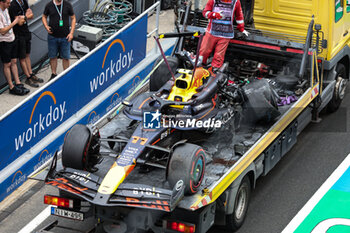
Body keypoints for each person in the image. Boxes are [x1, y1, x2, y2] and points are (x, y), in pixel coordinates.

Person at [199, 0, 249, 71]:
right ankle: (199, 67)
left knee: (219, 56)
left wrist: (241, 29)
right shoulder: (213, 1)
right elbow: (205, 13)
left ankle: (214, 71)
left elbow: (239, 15)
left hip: (225, 34)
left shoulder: (236, 2)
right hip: (212, 32)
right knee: (204, 51)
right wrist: (214, 15)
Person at [9, 0, 44, 88]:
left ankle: (31, 74)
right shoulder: (13, 5)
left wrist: (24, 17)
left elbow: (31, 15)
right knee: (22, 57)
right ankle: (28, 77)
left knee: (27, 54)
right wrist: (26, 17)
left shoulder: (24, 1)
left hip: (26, 32)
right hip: (18, 35)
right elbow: (19, 22)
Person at [0, 0, 29, 95]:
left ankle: (18, 83)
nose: (9, 5)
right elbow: (3, 31)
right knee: (7, 64)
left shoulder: (5, 10)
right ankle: (11, 87)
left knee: (14, 62)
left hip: (12, 38)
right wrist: (15, 22)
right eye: (7, 3)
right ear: (2, 2)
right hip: (4, 42)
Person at [42, 0, 76, 80]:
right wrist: (46, 26)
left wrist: (71, 33)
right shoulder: (49, 5)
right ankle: (53, 74)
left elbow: (73, 18)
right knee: (52, 56)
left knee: (66, 57)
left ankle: (66, 75)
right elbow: (44, 16)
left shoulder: (67, 5)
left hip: (65, 37)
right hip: (52, 36)